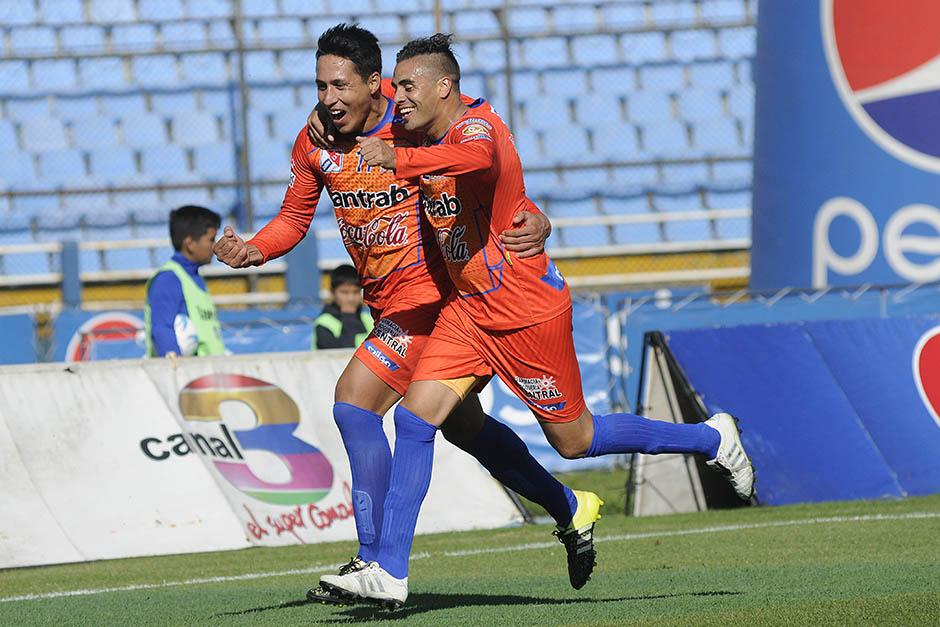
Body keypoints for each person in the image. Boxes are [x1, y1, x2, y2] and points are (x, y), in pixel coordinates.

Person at [319, 34, 755, 609]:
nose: (397, 98)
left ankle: (710, 438)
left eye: (407, 86)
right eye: (394, 86)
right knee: (417, 418)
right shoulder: (407, 130)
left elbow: (479, 159)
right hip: (466, 312)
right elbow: (361, 130)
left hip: (526, 313)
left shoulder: (476, 126)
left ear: (443, 87)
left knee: (576, 440)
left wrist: (400, 159)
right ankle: (389, 572)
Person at [212, 24, 603, 599]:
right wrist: (252, 249)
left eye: (340, 85)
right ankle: (569, 504)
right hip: (388, 307)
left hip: (437, 304)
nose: (328, 99)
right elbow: (295, 217)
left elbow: (481, 165)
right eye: (320, 86)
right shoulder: (316, 142)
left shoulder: (412, 120)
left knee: (355, 403)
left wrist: (538, 218)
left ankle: (374, 559)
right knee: (466, 430)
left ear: (376, 86)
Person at [145, 205, 224, 357]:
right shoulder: (168, 280)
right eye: (211, 239)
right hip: (190, 377)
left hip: (211, 374)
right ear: (190, 244)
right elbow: (162, 329)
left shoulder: (194, 279)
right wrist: (178, 374)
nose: (214, 246)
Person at [314, 264, 374, 350]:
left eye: (356, 292)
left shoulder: (369, 320)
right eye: (344, 292)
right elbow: (340, 355)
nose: (351, 298)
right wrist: (348, 316)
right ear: (332, 293)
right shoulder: (324, 323)